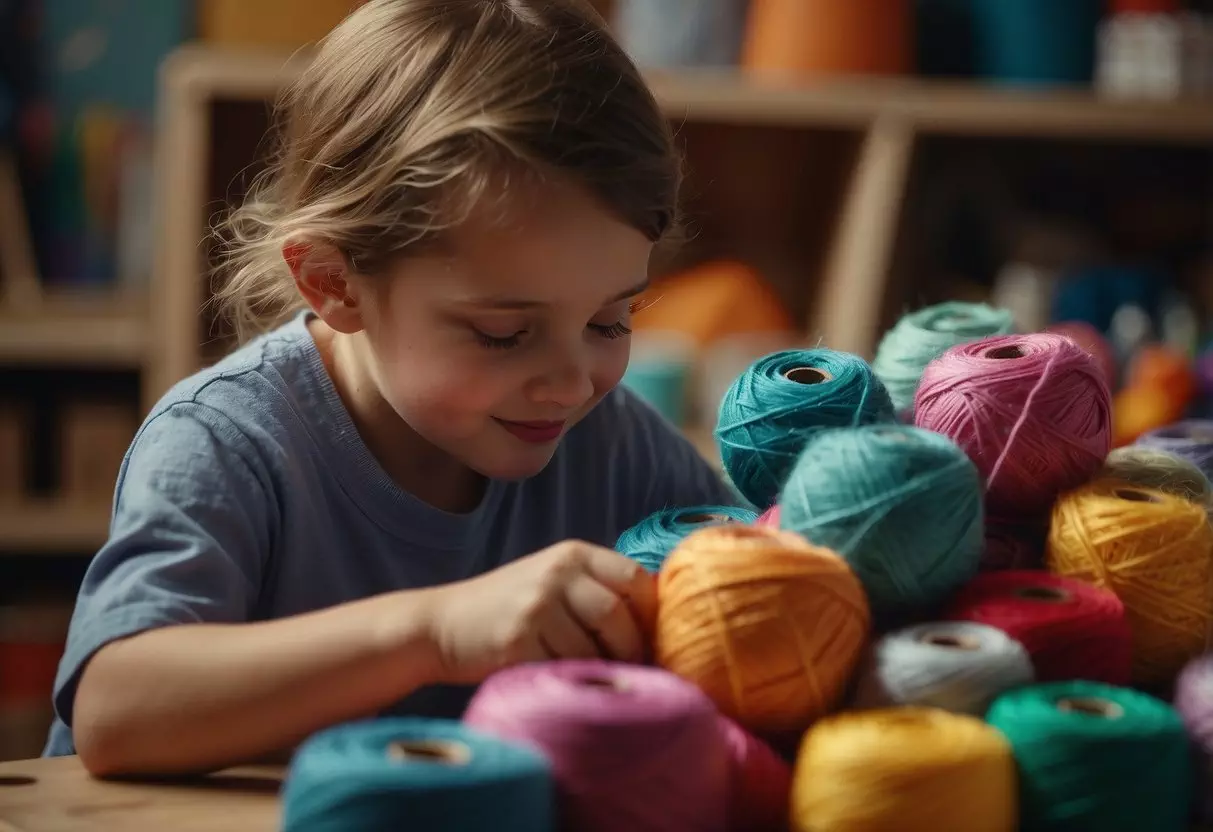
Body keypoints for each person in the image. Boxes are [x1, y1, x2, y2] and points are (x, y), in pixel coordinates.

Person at [43, 0, 738, 776]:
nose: (574, 383)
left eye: (611, 321)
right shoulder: (228, 443)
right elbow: (115, 710)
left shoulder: (609, 444)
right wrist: (432, 632)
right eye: (503, 334)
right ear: (333, 281)